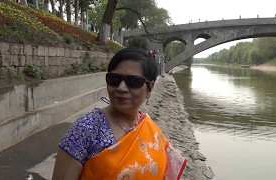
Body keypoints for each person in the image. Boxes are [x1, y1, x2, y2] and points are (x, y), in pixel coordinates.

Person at [52, 48, 187, 180]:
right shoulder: (86, 129)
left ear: (150, 88)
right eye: (114, 79)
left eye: (133, 81)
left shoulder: (151, 129)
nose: (121, 88)